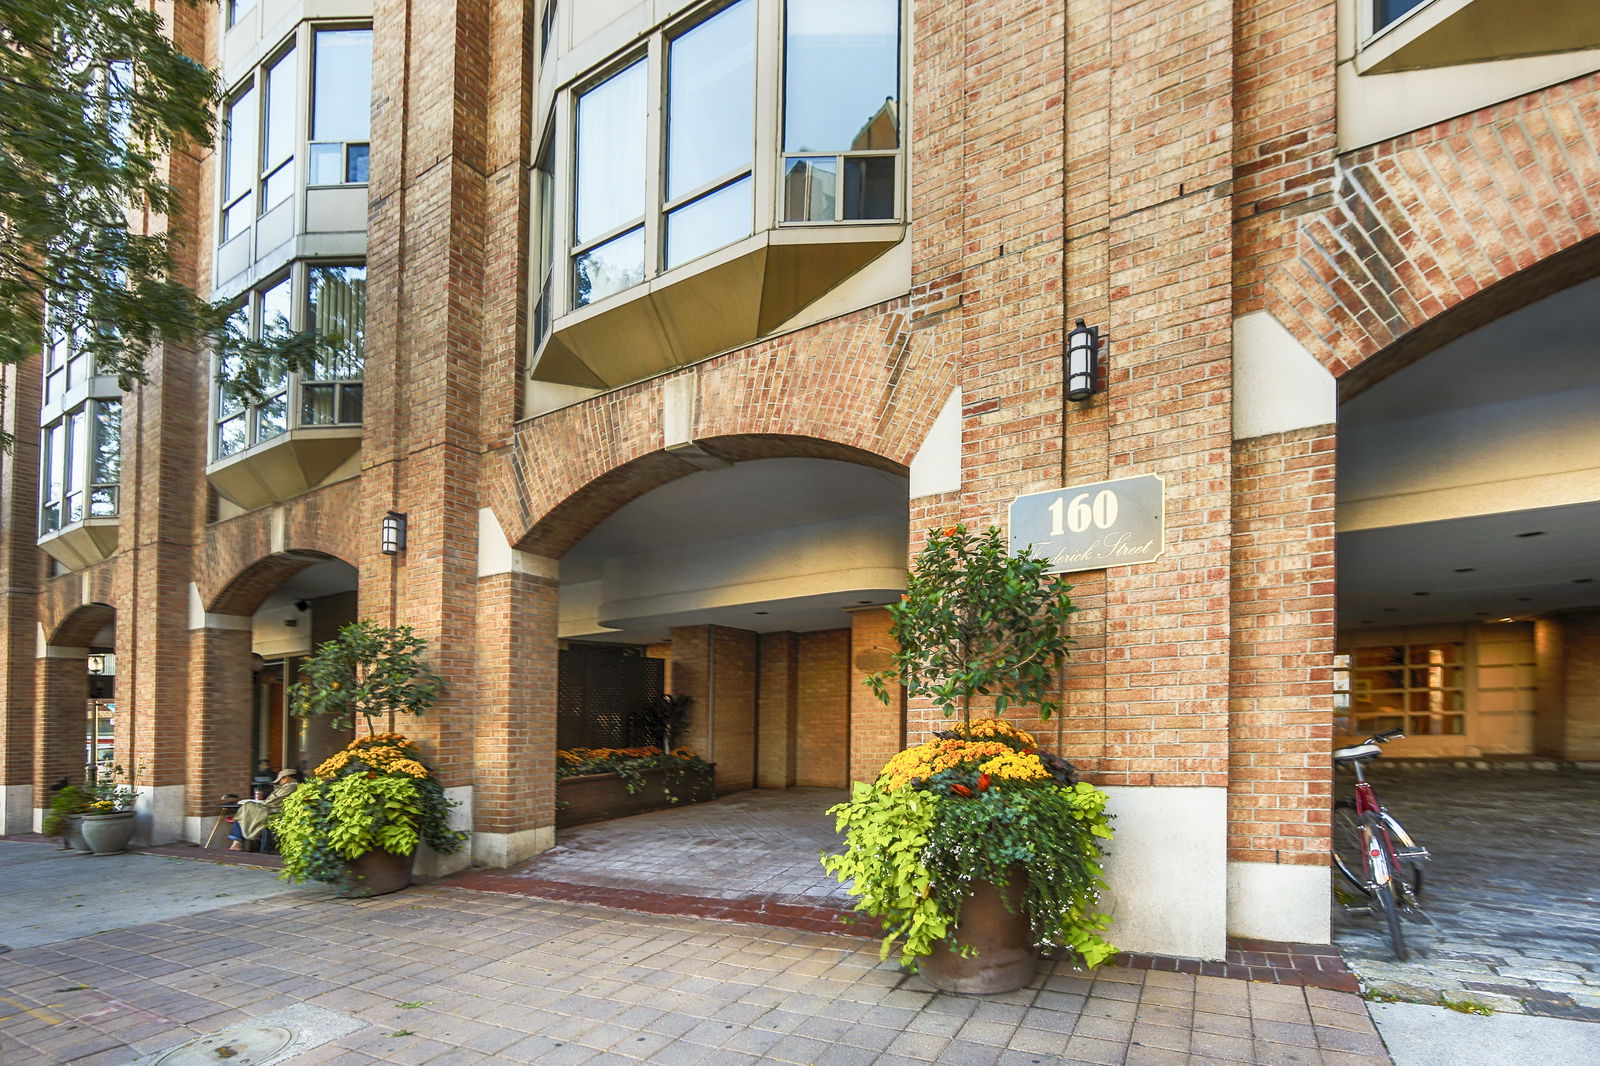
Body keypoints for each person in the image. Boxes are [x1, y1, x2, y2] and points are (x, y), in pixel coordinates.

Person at [228, 768, 301, 851]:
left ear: (286, 777)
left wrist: (259, 803)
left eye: (280, 780)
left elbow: (272, 801)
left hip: (274, 811)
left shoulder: (291, 786)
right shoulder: (288, 787)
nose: (279, 782)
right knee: (245, 810)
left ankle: (237, 842)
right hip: (272, 809)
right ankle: (237, 842)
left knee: (245, 808)